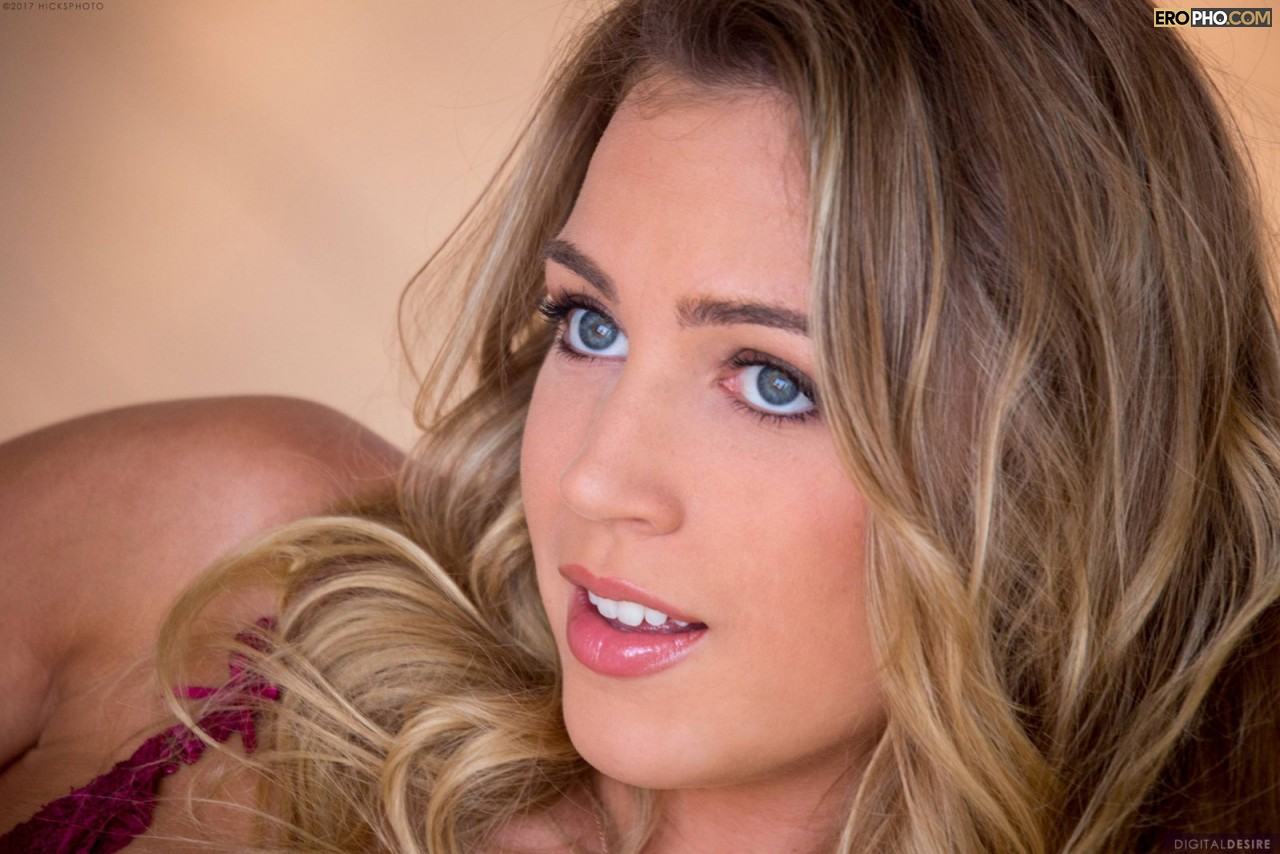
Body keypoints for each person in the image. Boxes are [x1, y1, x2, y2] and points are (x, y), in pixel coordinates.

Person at [2, 0, 1278, 850]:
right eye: (589, 325)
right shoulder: (215, 556)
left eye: (771, 381)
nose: (594, 477)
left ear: (1054, 464)